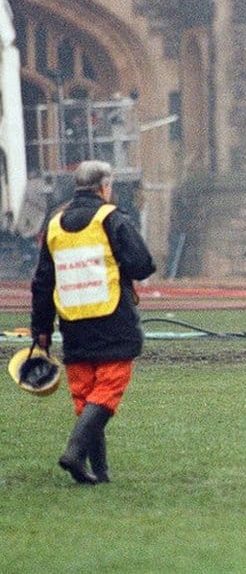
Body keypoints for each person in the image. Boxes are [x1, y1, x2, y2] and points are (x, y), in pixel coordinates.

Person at [30, 160, 156, 484]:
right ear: (104, 187)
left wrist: (41, 329)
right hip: (112, 321)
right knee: (108, 391)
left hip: (73, 324)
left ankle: (98, 471)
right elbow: (143, 264)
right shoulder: (111, 219)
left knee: (85, 397)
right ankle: (74, 452)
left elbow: (43, 281)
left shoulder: (54, 225)